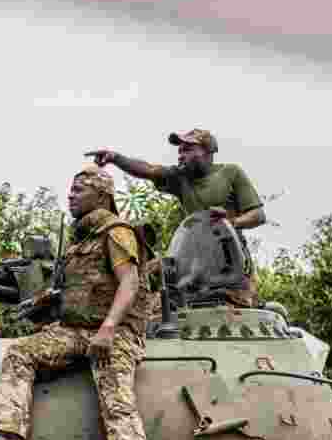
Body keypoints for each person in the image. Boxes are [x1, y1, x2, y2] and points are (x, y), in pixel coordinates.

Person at [0, 164, 153, 440]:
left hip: (115, 331)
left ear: (102, 196)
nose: (70, 196)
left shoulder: (117, 232)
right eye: (70, 190)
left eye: (78, 190)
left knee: (116, 396)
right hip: (74, 330)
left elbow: (130, 281)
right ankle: (8, 436)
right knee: (20, 353)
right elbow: (78, 290)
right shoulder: (79, 242)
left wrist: (108, 328)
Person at [87, 128, 267, 307]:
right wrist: (115, 158)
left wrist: (230, 222)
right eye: (179, 151)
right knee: (159, 308)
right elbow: (149, 170)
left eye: (187, 150)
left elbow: (258, 215)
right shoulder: (180, 177)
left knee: (228, 314)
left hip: (230, 263)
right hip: (193, 263)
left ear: (207, 151)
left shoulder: (231, 173)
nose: (181, 155)